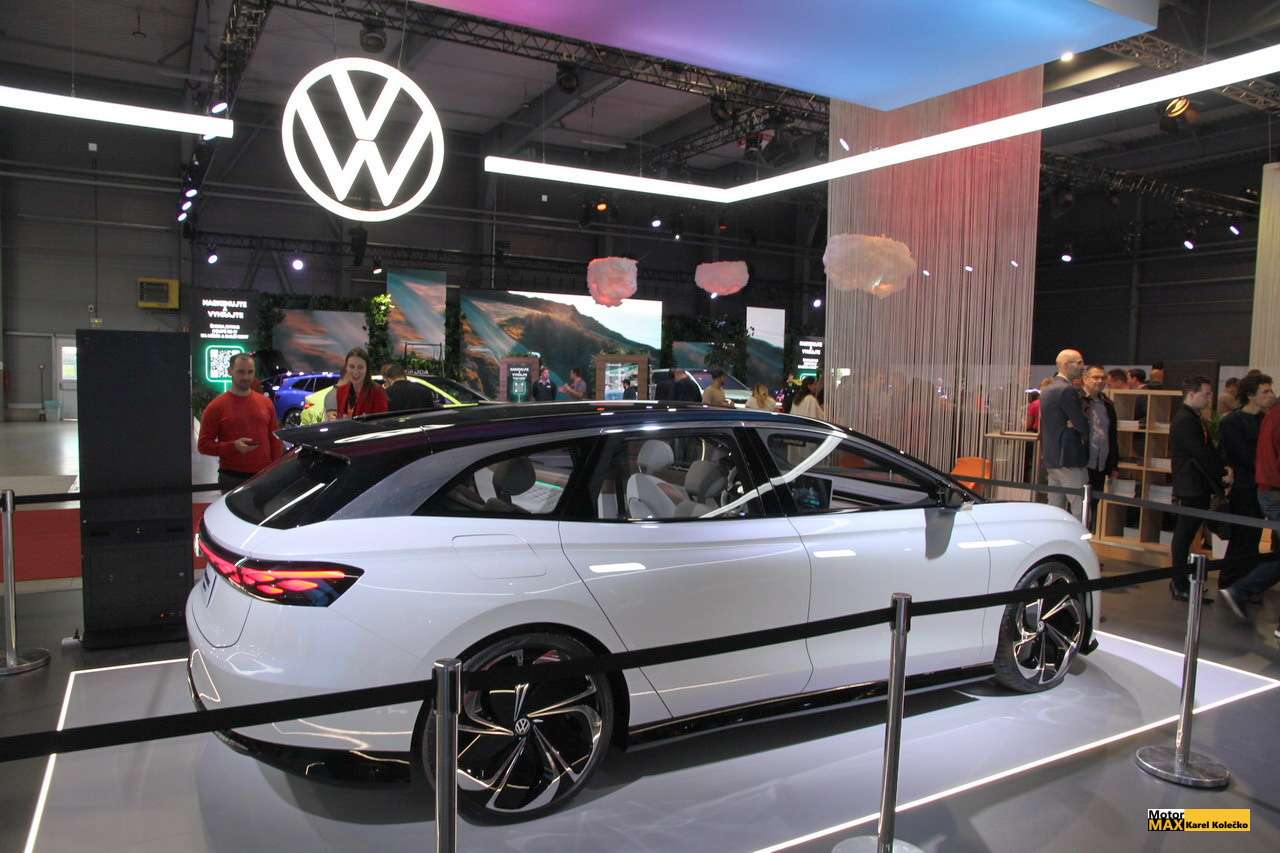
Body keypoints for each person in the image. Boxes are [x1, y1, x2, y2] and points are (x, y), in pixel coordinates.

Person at [1170, 375, 1232, 602]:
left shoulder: (1193, 418)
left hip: (1197, 484)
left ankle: (1182, 581)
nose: (1209, 398)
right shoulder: (1185, 420)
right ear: (1192, 394)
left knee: (1187, 534)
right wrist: (1222, 472)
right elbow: (1200, 452)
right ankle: (1179, 583)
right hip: (1191, 484)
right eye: (1206, 394)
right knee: (1184, 534)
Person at [198, 353, 285, 493]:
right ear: (230, 371)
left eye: (250, 372)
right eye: (241, 372)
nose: (246, 377)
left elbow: (274, 439)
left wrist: (276, 470)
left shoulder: (266, 403)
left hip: (264, 476)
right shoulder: (216, 407)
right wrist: (233, 446)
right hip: (232, 478)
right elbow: (203, 445)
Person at [1219, 372, 1274, 584]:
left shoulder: (1266, 420)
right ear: (1251, 395)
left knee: (1254, 536)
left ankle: (1247, 582)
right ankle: (1231, 580)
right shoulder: (1232, 421)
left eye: (1270, 390)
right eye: (1265, 391)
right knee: (1242, 536)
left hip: (1263, 485)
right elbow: (1240, 455)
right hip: (1244, 486)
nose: (1270, 395)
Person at [1040, 349, 1089, 519]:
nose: (1083, 367)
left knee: (1055, 507)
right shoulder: (1067, 390)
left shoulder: (1047, 388)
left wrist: (1073, 424)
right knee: (1079, 505)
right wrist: (1079, 424)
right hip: (1069, 456)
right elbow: (1081, 424)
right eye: (1079, 362)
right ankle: (1080, 535)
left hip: (1053, 456)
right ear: (1067, 365)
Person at [1082, 364, 1118, 530]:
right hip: (1082, 462)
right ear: (1085, 379)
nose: (1099, 381)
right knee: (1078, 504)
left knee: (1093, 504)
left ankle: (1087, 538)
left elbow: (1112, 436)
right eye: (1095, 377)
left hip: (1101, 464)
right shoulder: (1078, 401)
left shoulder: (1108, 404)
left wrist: (1113, 465)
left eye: (1103, 378)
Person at [327, 347, 389, 420]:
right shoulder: (341, 391)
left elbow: (381, 422)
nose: (355, 372)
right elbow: (340, 420)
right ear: (346, 368)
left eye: (360, 367)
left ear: (367, 369)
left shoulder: (377, 392)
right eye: (351, 367)